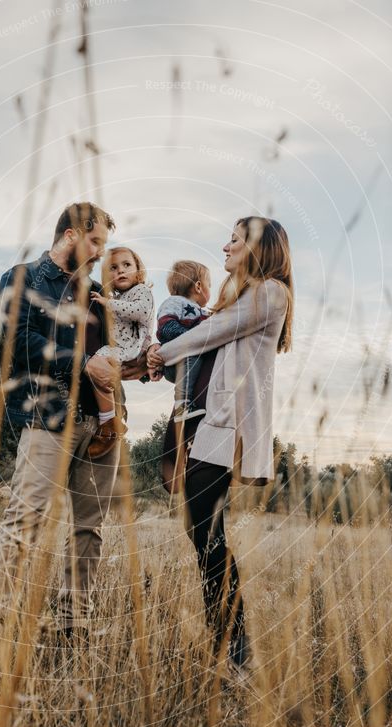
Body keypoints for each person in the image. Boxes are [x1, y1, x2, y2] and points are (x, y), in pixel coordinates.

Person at [0, 202, 147, 652]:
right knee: (24, 518)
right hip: (49, 418)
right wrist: (83, 363)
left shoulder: (98, 291)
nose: (100, 254)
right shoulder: (24, 278)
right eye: (95, 243)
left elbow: (116, 349)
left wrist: (135, 368)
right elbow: (15, 342)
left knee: (89, 528)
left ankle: (75, 626)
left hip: (104, 425)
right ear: (71, 235)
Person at [148, 216, 293, 677]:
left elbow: (212, 333)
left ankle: (235, 651)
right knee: (202, 533)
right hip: (209, 425)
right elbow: (207, 339)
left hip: (229, 429)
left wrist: (162, 352)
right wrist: (150, 360)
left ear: (257, 247)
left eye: (234, 238)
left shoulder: (271, 292)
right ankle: (228, 644)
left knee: (206, 534)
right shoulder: (239, 298)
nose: (225, 245)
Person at [88, 246, 155, 459]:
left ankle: (109, 421)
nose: (120, 271)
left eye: (127, 265)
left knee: (98, 362)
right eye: (113, 268)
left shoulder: (141, 291)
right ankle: (110, 419)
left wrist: (108, 303)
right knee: (101, 372)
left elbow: (141, 312)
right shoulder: (120, 295)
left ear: (138, 270)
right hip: (123, 347)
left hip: (130, 347)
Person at [155, 260, 211, 422]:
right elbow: (165, 327)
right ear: (199, 286)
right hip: (176, 362)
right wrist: (191, 338)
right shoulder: (174, 302)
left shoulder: (203, 311)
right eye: (210, 284)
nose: (210, 288)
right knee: (191, 351)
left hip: (192, 367)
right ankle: (182, 407)